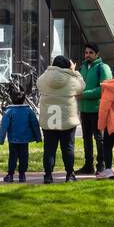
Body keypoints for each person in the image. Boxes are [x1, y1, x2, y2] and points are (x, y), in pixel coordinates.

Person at [37, 55, 86, 184]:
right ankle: (70, 174)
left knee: (49, 148)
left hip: (49, 118)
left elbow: (38, 84)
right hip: (67, 118)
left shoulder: (43, 78)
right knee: (68, 147)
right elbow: (82, 86)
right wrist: (74, 71)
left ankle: (48, 175)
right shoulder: (71, 79)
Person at [75, 44, 111, 175]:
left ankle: (101, 165)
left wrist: (84, 94)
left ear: (97, 54)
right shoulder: (83, 67)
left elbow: (104, 89)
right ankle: (88, 165)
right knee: (86, 138)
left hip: (97, 109)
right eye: (86, 52)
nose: (87, 55)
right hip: (84, 109)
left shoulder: (103, 68)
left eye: (90, 52)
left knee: (99, 138)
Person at [0, 88, 42, 182]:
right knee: (24, 157)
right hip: (24, 139)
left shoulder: (9, 111)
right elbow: (35, 124)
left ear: (11, 99)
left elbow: (4, 126)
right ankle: (22, 175)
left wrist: (1, 140)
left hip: (13, 139)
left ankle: (10, 175)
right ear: (24, 99)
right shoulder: (28, 111)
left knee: (12, 157)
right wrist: (38, 137)